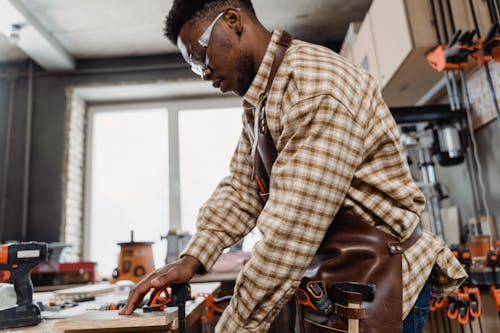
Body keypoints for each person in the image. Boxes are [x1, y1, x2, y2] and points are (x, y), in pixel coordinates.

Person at [119, 1, 467, 332]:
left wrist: (234, 327)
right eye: (195, 66)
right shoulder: (264, 98)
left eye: (201, 55)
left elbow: (289, 232)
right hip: (346, 282)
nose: (204, 72)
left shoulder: (314, 86)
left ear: (232, 21)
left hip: (380, 281)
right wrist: (192, 258)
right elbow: (242, 190)